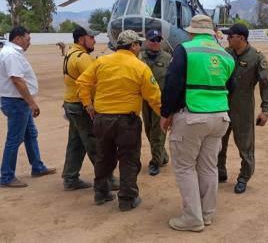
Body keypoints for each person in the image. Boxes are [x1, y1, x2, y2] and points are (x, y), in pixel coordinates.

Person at [160, 15, 235, 232]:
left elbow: (173, 83)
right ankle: (207, 214)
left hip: (192, 116)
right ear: (211, 33)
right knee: (209, 167)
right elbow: (232, 87)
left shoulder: (185, 49)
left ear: (191, 32)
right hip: (220, 117)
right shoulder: (225, 54)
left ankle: (192, 218)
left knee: (185, 168)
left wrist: (166, 113)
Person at [76, 30, 161, 211]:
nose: (140, 47)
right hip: (127, 122)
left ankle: (101, 193)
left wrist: (87, 104)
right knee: (129, 159)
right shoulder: (140, 67)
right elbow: (153, 96)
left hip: (101, 119)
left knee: (103, 157)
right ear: (132, 46)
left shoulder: (101, 61)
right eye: (138, 44)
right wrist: (164, 115)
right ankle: (127, 199)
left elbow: (82, 82)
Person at [218, 23, 268, 194]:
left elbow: (266, 85)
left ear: (241, 38)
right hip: (221, 106)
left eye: (230, 36)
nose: (227, 39)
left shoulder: (257, 58)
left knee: (245, 146)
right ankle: (220, 172)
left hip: (243, 109)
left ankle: (243, 177)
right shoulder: (225, 54)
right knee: (218, 143)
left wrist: (265, 110)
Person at [0, 26, 56, 188]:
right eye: (27, 39)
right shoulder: (11, 55)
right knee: (14, 139)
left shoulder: (10, 53)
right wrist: (31, 102)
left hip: (16, 101)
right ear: (17, 38)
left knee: (31, 134)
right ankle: (6, 176)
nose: (29, 42)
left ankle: (37, 167)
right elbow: (17, 80)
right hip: (17, 102)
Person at [62, 26, 100, 191]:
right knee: (94, 143)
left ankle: (70, 178)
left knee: (76, 143)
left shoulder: (70, 53)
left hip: (71, 104)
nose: (94, 40)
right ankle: (106, 178)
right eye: (91, 37)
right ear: (82, 39)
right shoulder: (82, 57)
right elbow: (91, 84)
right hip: (82, 106)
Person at [139, 30, 171, 176]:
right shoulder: (140, 57)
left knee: (157, 132)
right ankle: (162, 155)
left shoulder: (167, 58)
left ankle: (155, 162)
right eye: (153, 40)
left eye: (158, 40)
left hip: (161, 100)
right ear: (146, 41)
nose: (156, 42)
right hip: (145, 101)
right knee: (148, 129)